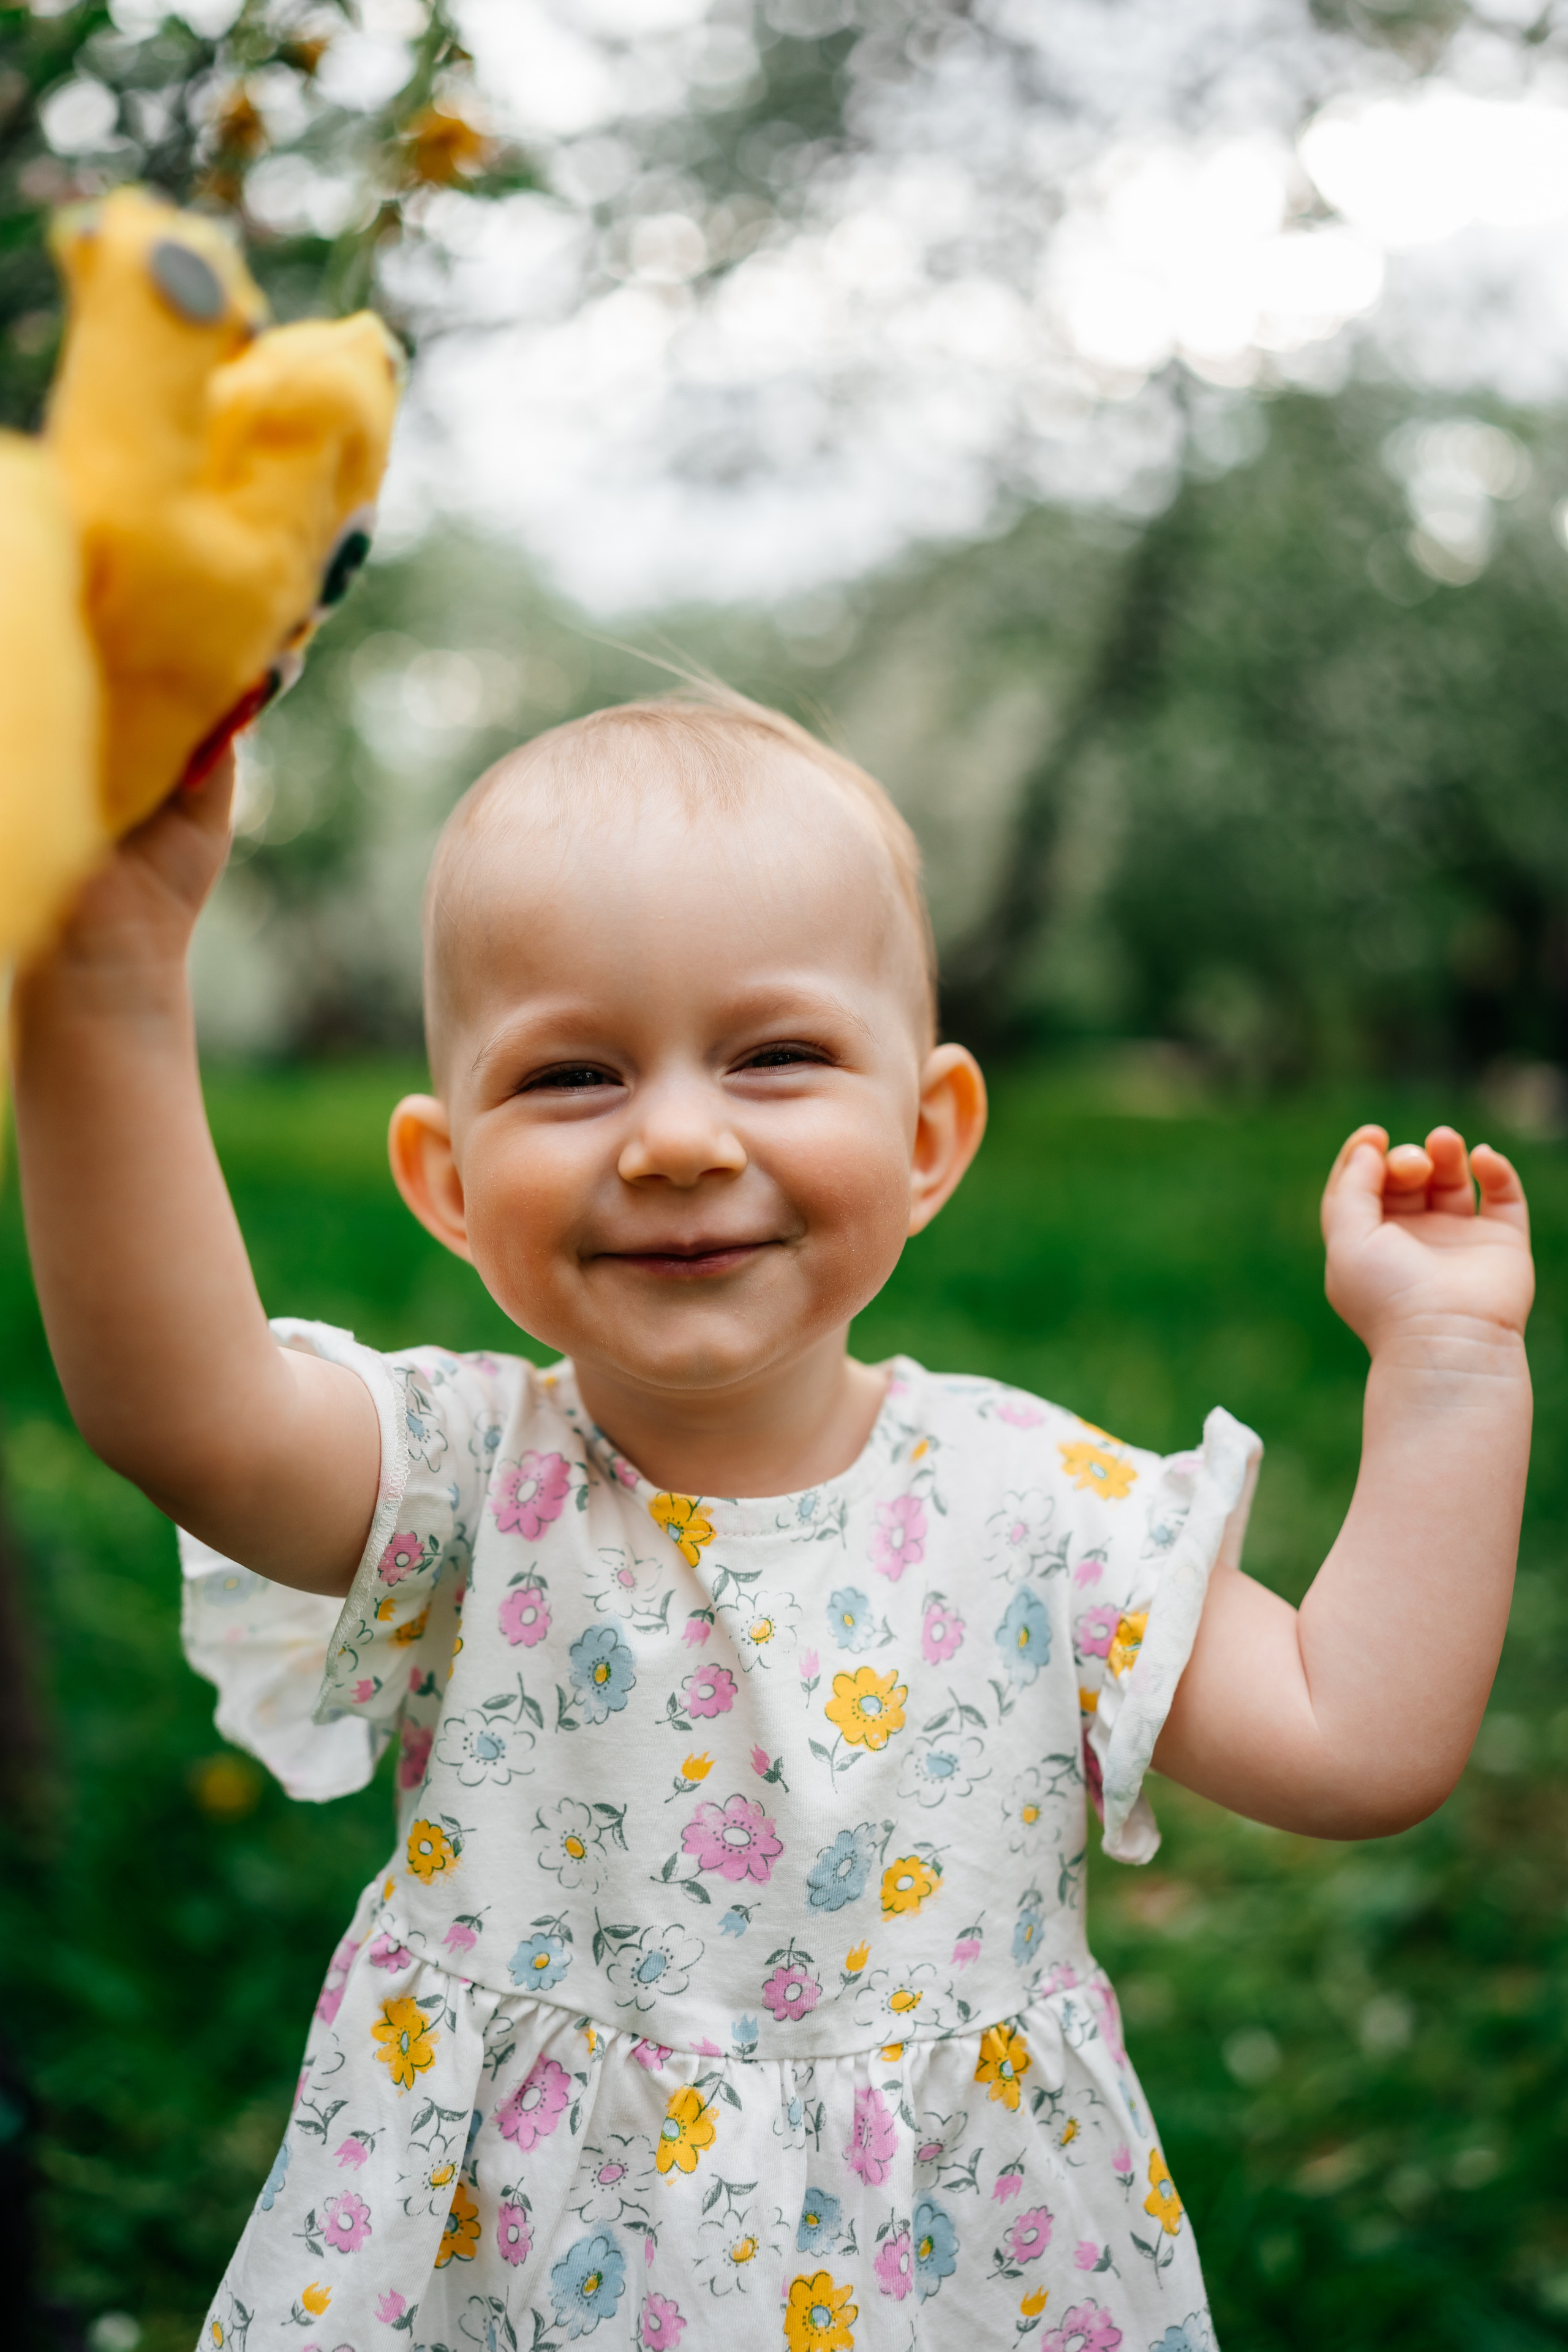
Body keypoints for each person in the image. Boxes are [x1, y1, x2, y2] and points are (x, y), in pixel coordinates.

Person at [10, 693, 1534, 2352]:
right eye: (573, 1074)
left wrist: (1451, 1368)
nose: (675, 1141)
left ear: (930, 1132)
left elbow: (1358, 1741)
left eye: (778, 1056)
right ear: (446, 1182)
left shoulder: (1039, 1509)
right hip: (510, 2278)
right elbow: (180, 1413)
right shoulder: (465, 1480)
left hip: (943, 2279)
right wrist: (103, 979)